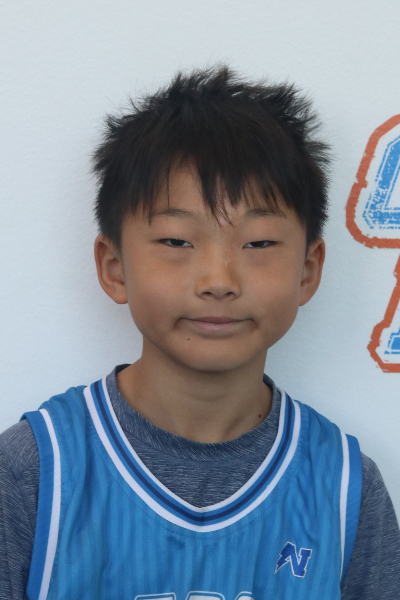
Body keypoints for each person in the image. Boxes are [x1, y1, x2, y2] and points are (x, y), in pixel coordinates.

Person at [0, 66, 399, 600]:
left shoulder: (345, 488)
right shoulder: (34, 471)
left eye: (258, 243)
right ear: (114, 267)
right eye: (176, 241)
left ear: (308, 270)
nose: (218, 280)